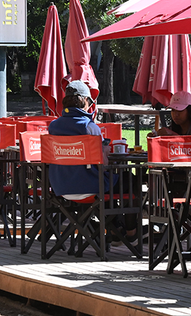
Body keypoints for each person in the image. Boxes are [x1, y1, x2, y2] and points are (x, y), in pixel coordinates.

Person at [47, 80, 139, 243]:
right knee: (132, 182)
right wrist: (106, 151)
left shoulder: (53, 126)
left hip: (60, 187)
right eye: (90, 101)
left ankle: (115, 228)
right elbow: (102, 164)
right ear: (84, 100)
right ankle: (131, 233)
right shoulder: (89, 127)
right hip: (89, 186)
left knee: (114, 184)